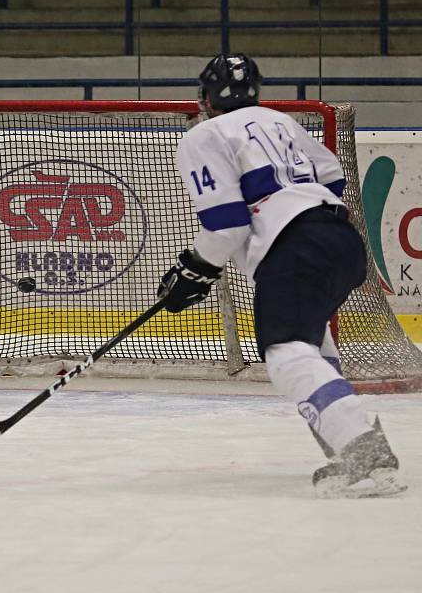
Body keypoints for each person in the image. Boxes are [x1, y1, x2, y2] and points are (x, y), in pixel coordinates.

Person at [157, 53, 405, 497]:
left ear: (205, 98)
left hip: (297, 247)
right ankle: (346, 448)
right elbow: (332, 176)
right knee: (310, 344)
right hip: (341, 239)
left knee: (286, 352)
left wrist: (196, 268)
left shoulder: (204, 135)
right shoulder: (281, 122)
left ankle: (365, 450)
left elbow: (228, 221)